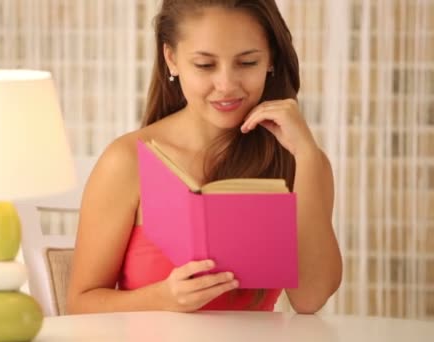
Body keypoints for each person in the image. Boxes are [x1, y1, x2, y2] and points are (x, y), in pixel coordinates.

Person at [66, 0, 342, 314]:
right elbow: (79, 304)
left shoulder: (300, 161)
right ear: (171, 59)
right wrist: (162, 299)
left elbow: (310, 298)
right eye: (205, 65)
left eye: (247, 62)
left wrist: (306, 156)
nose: (226, 85)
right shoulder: (128, 161)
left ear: (271, 60)